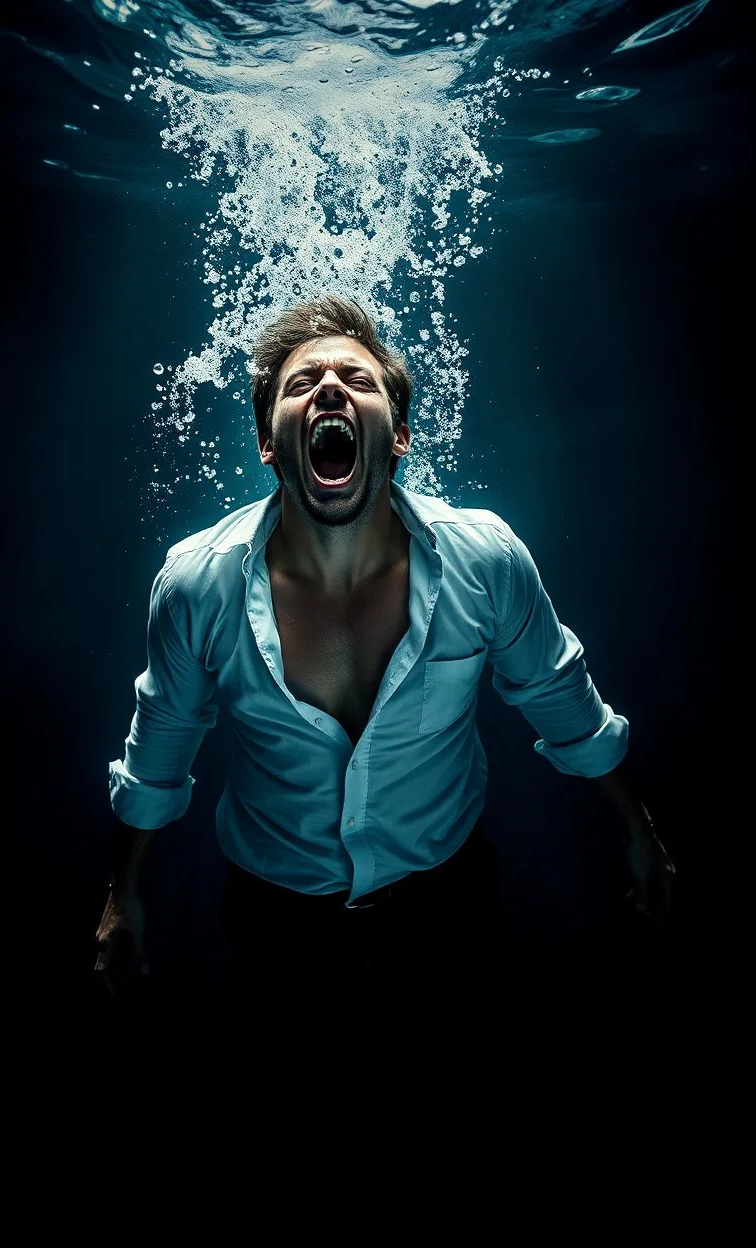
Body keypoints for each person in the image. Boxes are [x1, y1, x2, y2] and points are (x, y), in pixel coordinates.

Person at [95, 293, 675, 1084]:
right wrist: (121, 897)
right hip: (274, 909)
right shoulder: (197, 585)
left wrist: (639, 832)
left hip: (450, 894)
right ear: (269, 442)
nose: (329, 389)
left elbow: (565, 702)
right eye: (301, 384)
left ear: (398, 435)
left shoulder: (486, 561)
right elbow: (157, 752)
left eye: (357, 380)